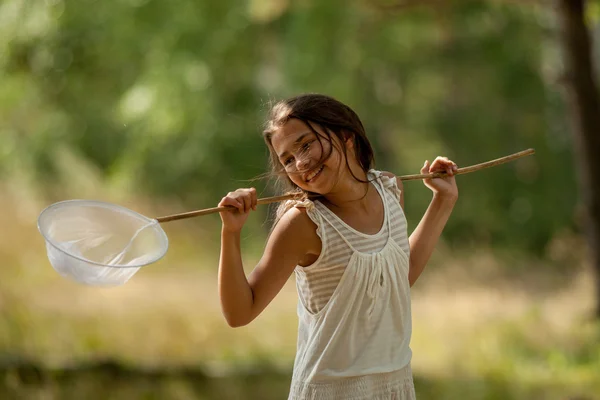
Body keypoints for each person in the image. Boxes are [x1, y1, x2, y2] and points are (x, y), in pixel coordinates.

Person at [217, 93, 458, 399]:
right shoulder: (303, 225)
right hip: (329, 391)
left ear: (345, 136)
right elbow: (240, 313)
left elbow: (398, 276)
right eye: (287, 159)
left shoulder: (389, 189)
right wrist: (231, 233)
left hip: (394, 386)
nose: (300, 163)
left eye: (305, 144)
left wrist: (443, 201)